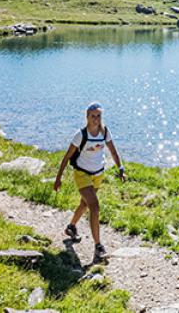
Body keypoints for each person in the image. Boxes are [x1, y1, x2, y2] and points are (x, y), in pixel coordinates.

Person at [54, 102, 125, 263]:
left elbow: (113, 151)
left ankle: (71, 227)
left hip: (98, 174)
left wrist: (120, 168)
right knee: (94, 206)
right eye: (93, 116)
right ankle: (98, 247)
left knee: (85, 204)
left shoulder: (105, 132)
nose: (96, 119)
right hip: (82, 174)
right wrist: (58, 178)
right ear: (87, 117)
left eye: (98, 116)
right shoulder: (80, 135)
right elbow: (66, 157)